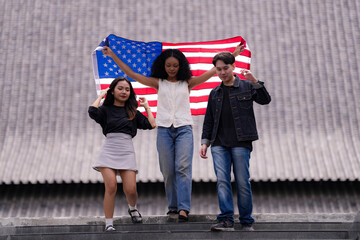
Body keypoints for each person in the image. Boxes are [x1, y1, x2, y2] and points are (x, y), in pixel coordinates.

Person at [102, 44, 244, 222]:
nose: (171, 69)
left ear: (181, 66)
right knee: (168, 170)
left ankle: (184, 208)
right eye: (168, 65)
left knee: (182, 168)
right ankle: (173, 207)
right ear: (163, 65)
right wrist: (113, 55)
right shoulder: (157, 83)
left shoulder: (188, 82)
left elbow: (214, 70)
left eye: (175, 66)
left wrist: (233, 55)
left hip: (184, 129)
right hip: (164, 130)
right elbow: (132, 74)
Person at [200, 51, 271, 231]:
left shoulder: (246, 86)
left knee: (242, 181)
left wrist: (255, 81)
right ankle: (226, 220)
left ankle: (246, 221)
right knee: (222, 181)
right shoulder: (214, 93)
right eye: (219, 69)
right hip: (218, 143)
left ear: (233, 67)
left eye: (226, 68)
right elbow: (208, 120)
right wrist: (204, 142)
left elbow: (265, 100)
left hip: (241, 141)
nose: (223, 72)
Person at [88, 77, 156, 231]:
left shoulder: (133, 111)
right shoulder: (105, 110)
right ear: (113, 90)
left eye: (127, 89)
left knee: (131, 189)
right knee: (111, 186)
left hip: (126, 149)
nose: (124, 92)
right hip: (109, 149)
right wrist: (101, 96)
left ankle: (132, 208)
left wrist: (146, 107)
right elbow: (92, 111)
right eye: (120, 88)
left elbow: (152, 124)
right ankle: (109, 224)